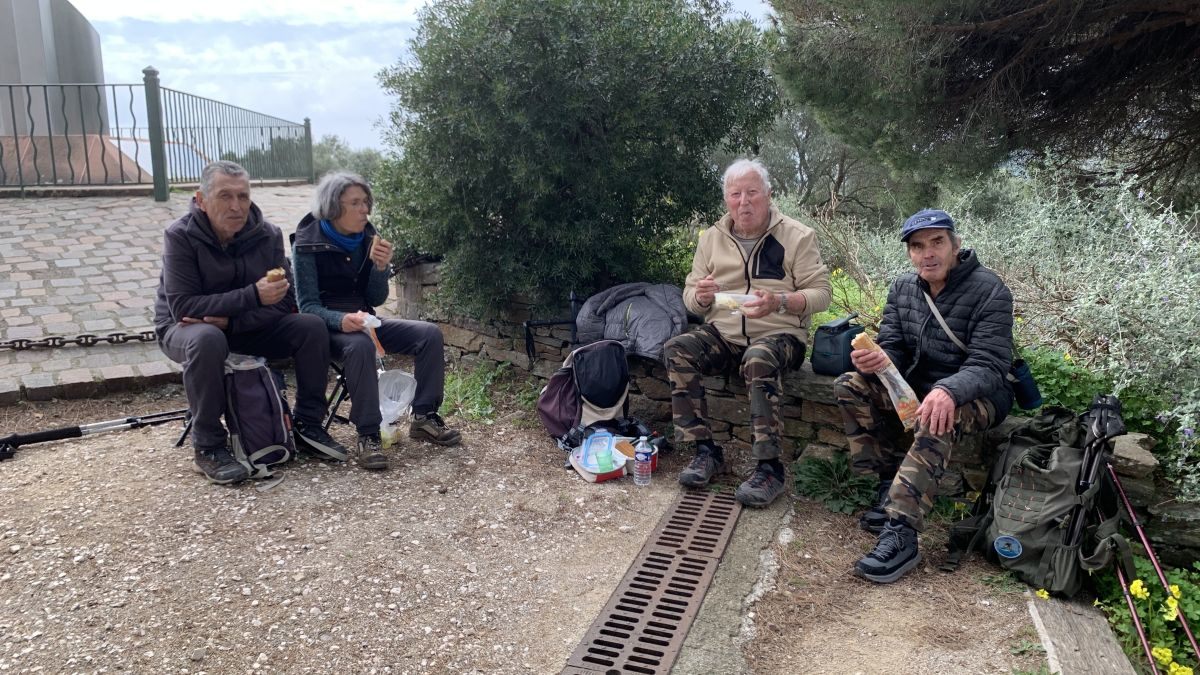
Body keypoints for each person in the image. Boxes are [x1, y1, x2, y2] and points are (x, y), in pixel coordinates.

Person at [834, 209, 1014, 584]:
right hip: (920, 386)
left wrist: (948, 389)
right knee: (850, 384)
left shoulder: (990, 290)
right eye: (917, 246)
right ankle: (888, 488)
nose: (927, 253)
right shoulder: (904, 288)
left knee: (937, 414)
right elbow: (895, 347)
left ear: (955, 245)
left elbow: (990, 363)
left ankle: (902, 532)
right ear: (910, 253)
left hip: (978, 394)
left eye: (937, 242)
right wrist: (877, 360)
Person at [155, 160, 349, 485]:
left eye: (243, 196)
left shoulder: (267, 235)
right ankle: (209, 446)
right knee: (207, 339)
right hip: (183, 329)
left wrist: (232, 322)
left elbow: (286, 301)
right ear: (201, 200)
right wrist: (252, 296)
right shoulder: (180, 236)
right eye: (225, 196)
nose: (236, 206)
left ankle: (308, 424)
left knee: (310, 327)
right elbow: (183, 306)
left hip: (244, 327)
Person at [664, 159, 831, 507]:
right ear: (726, 199)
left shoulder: (798, 236)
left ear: (768, 194)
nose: (744, 202)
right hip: (725, 334)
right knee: (677, 348)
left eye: (752, 192)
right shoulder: (712, 239)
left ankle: (770, 469)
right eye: (735, 194)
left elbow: (821, 294)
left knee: (758, 357)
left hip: (780, 335)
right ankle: (705, 451)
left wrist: (780, 301)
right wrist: (701, 297)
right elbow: (691, 296)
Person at [292, 171, 460, 471]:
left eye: (366, 202)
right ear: (333, 207)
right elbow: (307, 307)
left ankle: (424, 416)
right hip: (325, 326)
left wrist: (381, 268)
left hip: (366, 319)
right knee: (359, 346)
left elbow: (376, 297)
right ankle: (368, 434)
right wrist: (340, 319)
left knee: (429, 334)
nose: (365, 210)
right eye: (355, 203)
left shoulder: (368, 237)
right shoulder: (307, 242)